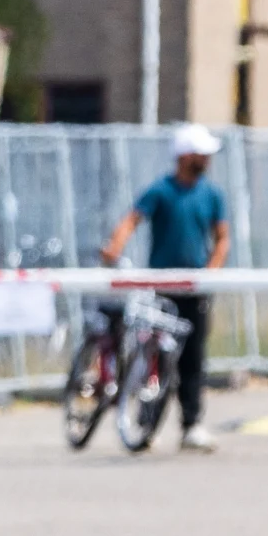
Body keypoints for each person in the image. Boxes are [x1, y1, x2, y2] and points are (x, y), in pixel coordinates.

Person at [98, 124, 235, 453]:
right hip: (162, 287)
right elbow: (132, 219)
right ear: (185, 155)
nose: (206, 159)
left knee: (192, 357)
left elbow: (222, 238)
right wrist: (114, 247)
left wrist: (211, 271)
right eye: (201, 153)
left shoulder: (212, 194)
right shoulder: (161, 190)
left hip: (195, 288)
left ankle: (191, 424)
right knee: (154, 356)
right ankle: (148, 422)